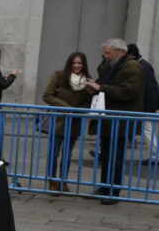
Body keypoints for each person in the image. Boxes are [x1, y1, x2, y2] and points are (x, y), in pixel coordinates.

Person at [86, 38, 144, 204]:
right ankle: (105, 186)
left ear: (120, 52)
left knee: (116, 156)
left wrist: (101, 88)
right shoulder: (107, 65)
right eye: (104, 52)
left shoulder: (132, 66)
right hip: (107, 117)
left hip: (121, 119)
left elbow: (129, 91)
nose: (105, 55)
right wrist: (93, 85)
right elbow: (103, 83)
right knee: (106, 155)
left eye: (108, 52)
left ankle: (113, 191)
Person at [41, 51, 94, 191]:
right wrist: (66, 107)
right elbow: (47, 96)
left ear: (84, 65)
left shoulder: (88, 80)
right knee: (54, 152)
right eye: (74, 63)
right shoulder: (59, 76)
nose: (77, 66)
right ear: (69, 63)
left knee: (67, 153)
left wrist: (81, 108)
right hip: (58, 120)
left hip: (75, 122)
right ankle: (52, 181)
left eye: (80, 63)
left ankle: (63, 180)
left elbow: (90, 102)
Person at [128, 43, 159, 160]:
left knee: (147, 130)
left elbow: (151, 88)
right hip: (144, 105)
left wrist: (153, 106)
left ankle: (155, 155)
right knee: (147, 130)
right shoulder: (143, 65)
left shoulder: (143, 67)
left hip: (145, 106)